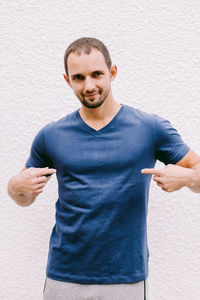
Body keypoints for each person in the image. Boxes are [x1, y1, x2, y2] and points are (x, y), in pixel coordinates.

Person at [7, 37, 200, 300]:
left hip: (125, 276)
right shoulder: (51, 135)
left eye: (97, 74)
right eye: (79, 77)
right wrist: (14, 187)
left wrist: (188, 178)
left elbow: (197, 172)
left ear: (112, 72)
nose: (89, 85)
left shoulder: (150, 128)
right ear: (67, 80)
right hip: (64, 275)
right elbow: (25, 197)